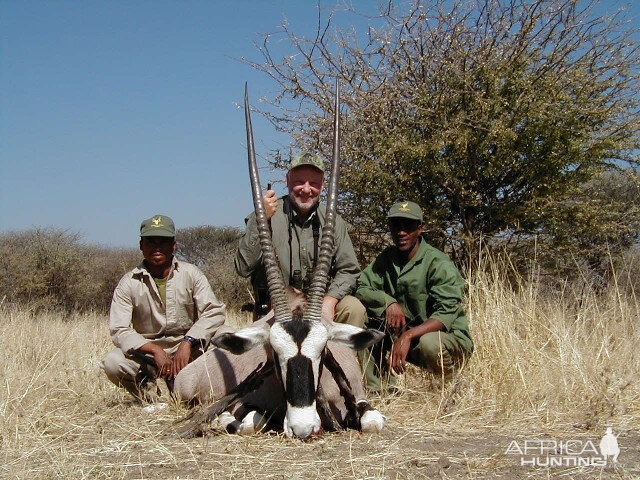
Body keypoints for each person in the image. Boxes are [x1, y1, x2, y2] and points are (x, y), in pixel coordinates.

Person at [101, 214, 226, 402]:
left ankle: (211, 390)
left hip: (190, 349)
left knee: (228, 336)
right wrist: (154, 350)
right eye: (151, 242)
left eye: (164, 242)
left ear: (173, 245)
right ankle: (152, 397)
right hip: (149, 355)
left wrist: (188, 342)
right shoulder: (128, 283)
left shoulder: (191, 273)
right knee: (113, 362)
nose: (157, 248)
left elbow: (214, 312)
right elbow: (119, 330)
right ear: (141, 246)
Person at [235, 152, 366, 326]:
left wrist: (330, 300)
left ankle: (347, 355)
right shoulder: (268, 214)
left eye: (313, 183)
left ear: (323, 184)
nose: (306, 189)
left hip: (320, 306)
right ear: (287, 180)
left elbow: (349, 270)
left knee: (354, 308)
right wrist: (260, 219)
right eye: (299, 182)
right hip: (279, 308)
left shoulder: (334, 221)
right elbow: (243, 267)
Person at [355, 201, 473, 391]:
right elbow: (361, 286)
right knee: (365, 326)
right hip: (405, 339)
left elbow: (445, 315)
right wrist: (388, 303)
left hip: (446, 340)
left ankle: (451, 388)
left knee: (430, 343)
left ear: (420, 229)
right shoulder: (386, 258)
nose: (401, 232)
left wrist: (408, 336)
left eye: (408, 226)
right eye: (396, 226)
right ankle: (380, 390)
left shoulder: (438, 263)